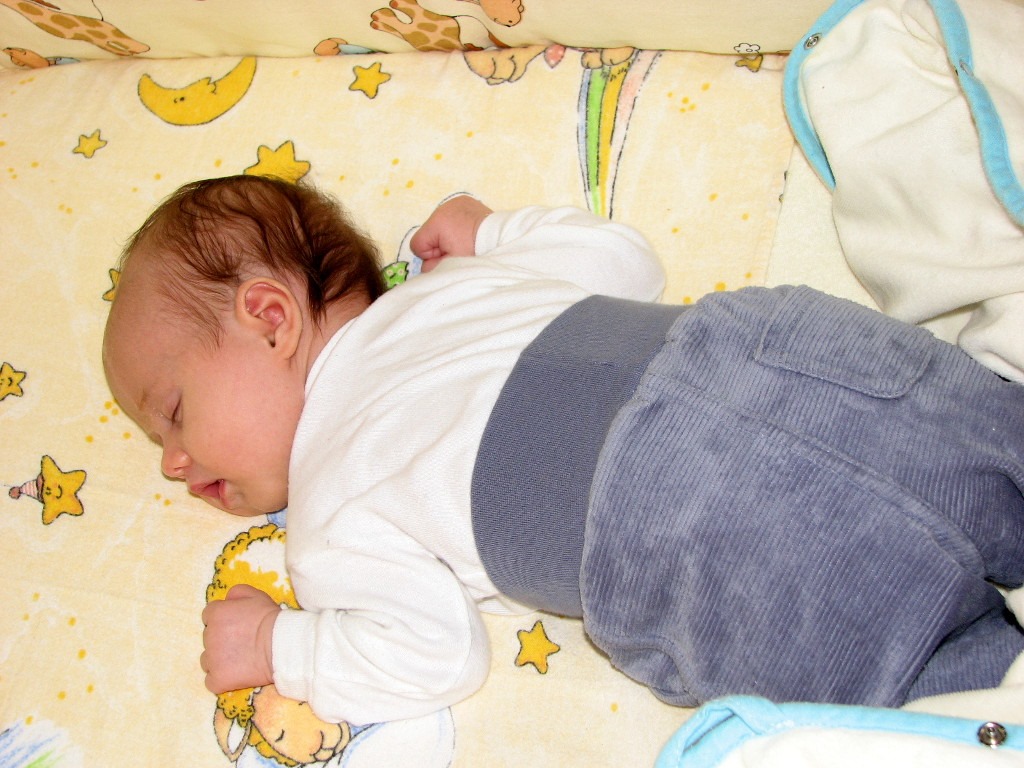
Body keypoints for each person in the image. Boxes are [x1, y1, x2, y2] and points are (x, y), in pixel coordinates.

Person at [103, 174, 1024, 727]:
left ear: (270, 317)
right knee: (995, 451)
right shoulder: (457, 288)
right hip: (777, 356)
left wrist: (281, 644)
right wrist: (492, 232)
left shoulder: (331, 509)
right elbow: (626, 264)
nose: (171, 463)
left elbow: (432, 658)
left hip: (690, 525)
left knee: (957, 700)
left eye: (172, 413)